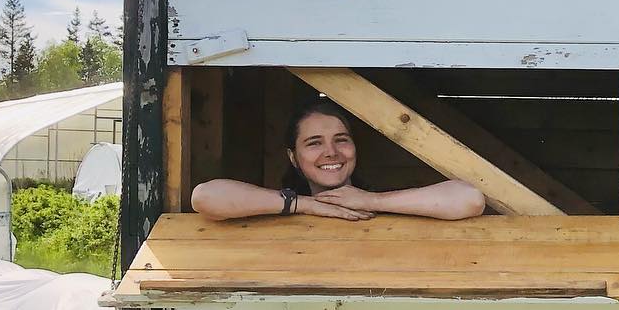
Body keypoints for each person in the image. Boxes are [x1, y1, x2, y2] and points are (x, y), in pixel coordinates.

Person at [190, 99, 486, 222]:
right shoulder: (281, 205)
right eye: (313, 143)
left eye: (341, 140)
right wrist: (306, 205)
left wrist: (371, 202)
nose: (331, 152)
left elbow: (469, 199)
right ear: (293, 157)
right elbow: (205, 197)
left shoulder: (380, 203)